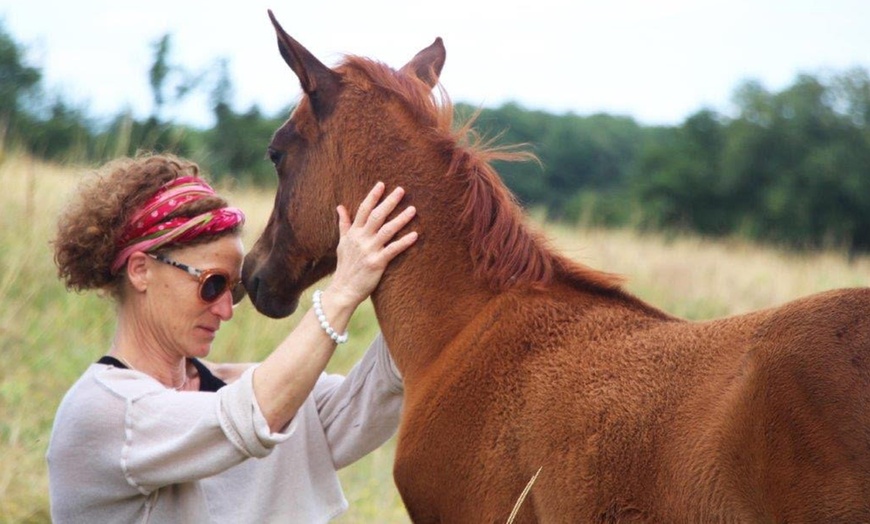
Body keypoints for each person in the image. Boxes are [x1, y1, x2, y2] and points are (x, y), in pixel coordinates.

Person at [46, 153, 418, 523]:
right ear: (142, 271)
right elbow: (247, 418)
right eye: (212, 285)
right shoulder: (103, 411)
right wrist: (342, 293)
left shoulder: (229, 389)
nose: (226, 310)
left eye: (234, 288)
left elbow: (367, 399)